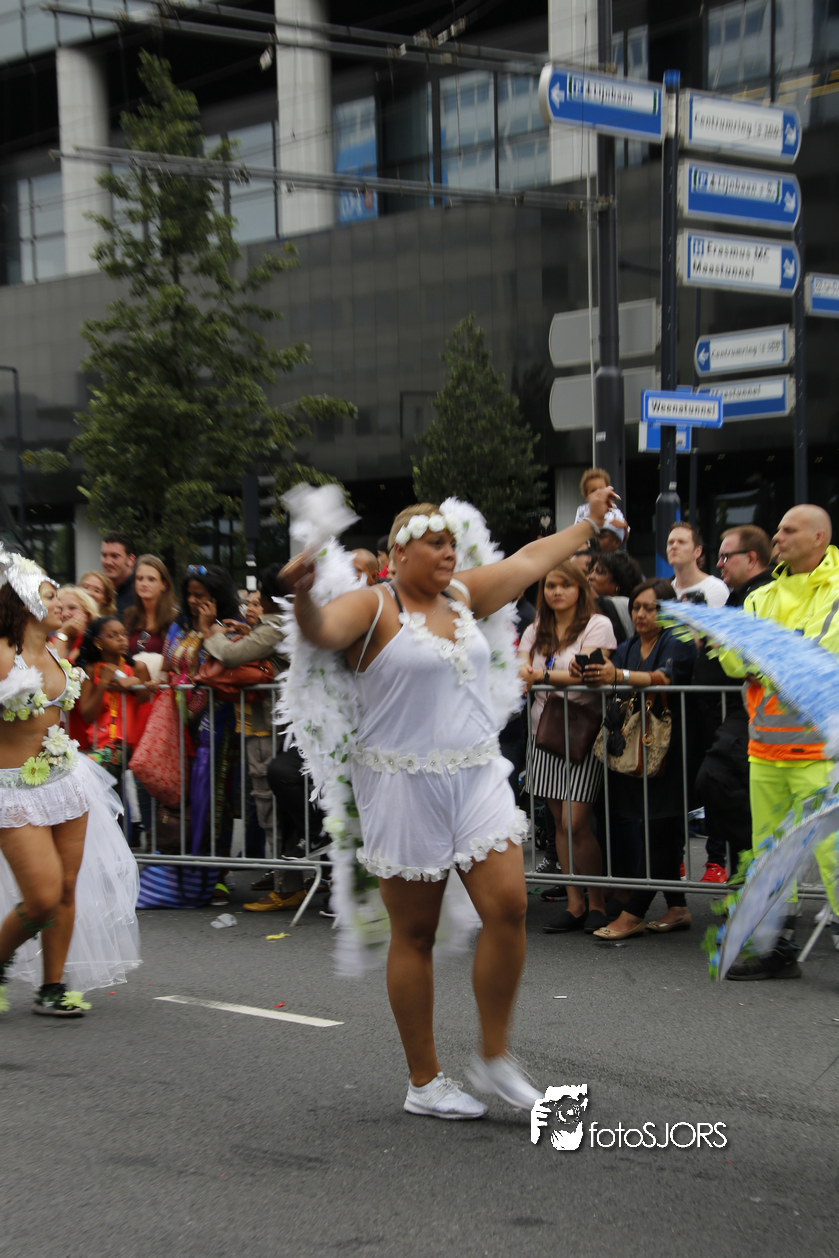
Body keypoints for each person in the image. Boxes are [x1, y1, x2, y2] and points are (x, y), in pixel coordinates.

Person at [284, 485, 617, 1120]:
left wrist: (586, 527)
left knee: (510, 907)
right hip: (401, 786)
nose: (448, 551)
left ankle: (493, 1056)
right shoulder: (371, 606)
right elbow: (320, 631)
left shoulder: (462, 596)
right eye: (435, 543)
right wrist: (301, 595)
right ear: (398, 553)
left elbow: (528, 559)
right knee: (414, 933)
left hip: (476, 775)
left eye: (451, 543)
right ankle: (424, 1081)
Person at [0, 546, 140, 1016]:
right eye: (47, 596)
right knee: (41, 897)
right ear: (22, 604)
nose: (59, 602)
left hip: (66, 780)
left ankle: (52, 987)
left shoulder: (57, 650)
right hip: (13, 789)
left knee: (64, 888)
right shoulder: (2, 654)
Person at [718, 505, 839, 980]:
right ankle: (776, 950)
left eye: (789, 530)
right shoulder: (761, 594)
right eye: (778, 529)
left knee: (833, 855)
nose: (777, 537)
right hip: (765, 746)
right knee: (770, 853)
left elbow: (817, 655)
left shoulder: (834, 590)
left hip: (821, 750)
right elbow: (731, 658)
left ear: (819, 537)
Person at [586, 579, 698, 941]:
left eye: (650, 607)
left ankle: (634, 912)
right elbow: (613, 670)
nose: (641, 614)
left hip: (671, 745)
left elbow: (665, 677)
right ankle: (677, 907)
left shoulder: (677, 639)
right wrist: (590, 670)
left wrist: (618, 675)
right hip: (640, 745)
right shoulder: (631, 644)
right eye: (636, 607)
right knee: (655, 826)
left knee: (659, 827)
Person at [518, 561, 616, 933]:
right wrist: (551, 675)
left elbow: (589, 675)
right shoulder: (534, 629)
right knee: (559, 822)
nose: (556, 592)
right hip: (543, 732)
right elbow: (519, 670)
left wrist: (541, 675)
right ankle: (575, 905)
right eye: (550, 585)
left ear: (579, 589)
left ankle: (597, 902)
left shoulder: (597, 624)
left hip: (582, 732)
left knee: (576, 822)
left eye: (565, 585)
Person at [692, 527, 773, 884]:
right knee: (722, 787)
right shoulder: (740, 597)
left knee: (720, 782)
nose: (719, 564)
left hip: (754, 713)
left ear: (751, 558)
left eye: (726, 556)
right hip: (734, 713)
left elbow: (746, 659)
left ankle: (758, 877)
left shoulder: (764, 595)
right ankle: (749, 880)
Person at [160, 563, 241, 904]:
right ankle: (182, 870)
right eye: (190, 595)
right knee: (180, 795)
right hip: (179, 724)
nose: (193, 601)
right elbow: (167, 665)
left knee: (214, 796)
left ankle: (216, 874)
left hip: (215, 726)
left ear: (217, 598)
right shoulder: (178, 627)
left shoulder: (229, 629)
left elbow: (222, 667)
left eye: (201, 596)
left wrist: (208, 629)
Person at [77, 617, 153, 779]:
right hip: (100, 743)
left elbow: (147, 703)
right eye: (113, 635)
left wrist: (136, 682)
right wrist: (103, 682)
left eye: (124, 634)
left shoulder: (138, 668)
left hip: (129, 744)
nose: (121, 639)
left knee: (84, 772)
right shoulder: (91, 670)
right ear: (97, 642)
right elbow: (88, 715)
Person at [123, 554, 178, 662]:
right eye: (140, 579)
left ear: (164, 584)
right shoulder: (129, 615)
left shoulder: (175, 618)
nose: (144, 584)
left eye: (151, 579)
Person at [665, 522, 728, 606]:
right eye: (670, 543)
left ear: (697, 551)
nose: (674, 546)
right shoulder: (665, 590)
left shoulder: (715, 589)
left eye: (681, 542)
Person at [588, 551, 644, 644]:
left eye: (599, 572)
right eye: (591, 571)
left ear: (618, 582)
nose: (590, 577)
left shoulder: (624, 604)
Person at [52, 585, 99, 665]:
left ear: (87, 614)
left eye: (72, 608)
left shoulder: (96, 643)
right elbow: (51, 667)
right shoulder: (46, 639)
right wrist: (63, 633)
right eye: (60, 609)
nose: (65, 614)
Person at [100, 532, 136, 618]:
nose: (108, 562)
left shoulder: (140, 593)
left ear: (131, 560)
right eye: (104, 555)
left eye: (114, 556)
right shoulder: (99, 591)